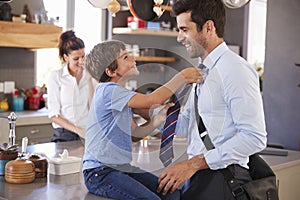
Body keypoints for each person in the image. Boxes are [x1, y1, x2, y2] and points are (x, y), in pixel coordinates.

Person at [157, 0, 268, 199]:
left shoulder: (235, 70)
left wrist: (192, 164)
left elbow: (254, 137)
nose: (179, 37)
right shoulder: (201, 72)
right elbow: (193, 126)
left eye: (184, 29)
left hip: (223, 179)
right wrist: (158, 118)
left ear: (209, 27)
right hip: (200, 177)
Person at [82, 40, 202, 200]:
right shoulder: (108, 91)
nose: (132, 58)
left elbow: (134, 134)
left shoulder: (121, 95)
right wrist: (182, 76)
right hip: (100, 173)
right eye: (125, 57)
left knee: (172, 193)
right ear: (110, 71)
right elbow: (152, 100)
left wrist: (156, 121)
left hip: (121, 168)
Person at [47, 30, 97, 142]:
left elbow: (94, 107)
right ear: (66, 57)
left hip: (87, 133)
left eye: (83, 57)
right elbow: (54, 116)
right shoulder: (56, 77)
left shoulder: (89, 76)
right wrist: (78, 130)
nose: (81, 61)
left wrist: (89, 79)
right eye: (76, 59)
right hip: (64, 135)